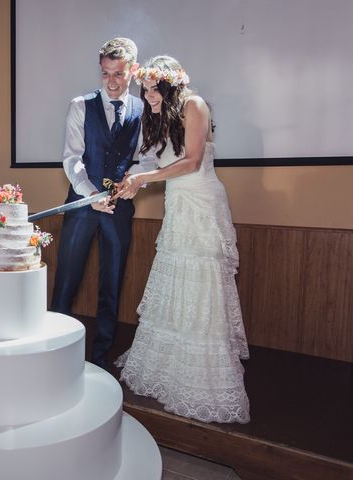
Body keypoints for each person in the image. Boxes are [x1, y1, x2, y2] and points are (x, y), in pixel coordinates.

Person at [113, 55, 250, 423]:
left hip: (202, 203)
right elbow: (157, 163)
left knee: (202, 282)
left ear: (172, 85)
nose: (149, 95)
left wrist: (144, 180)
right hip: (178, 202)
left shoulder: (194, 105)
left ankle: (202, 377)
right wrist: (133, 178)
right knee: (176, 281)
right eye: (145, 89)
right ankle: (169, 369)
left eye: (154, 88)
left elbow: (191, 162)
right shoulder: (158, 115)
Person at [50, 37, 148, 370]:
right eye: (105, 73)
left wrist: (137, 180)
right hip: (81, 205)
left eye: (119, 74)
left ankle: (100, 358)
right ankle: (55, 353)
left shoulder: (142, 109)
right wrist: (90, 194)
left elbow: (145, 157)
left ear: (133, 70)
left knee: (112, 283)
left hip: (119, 209)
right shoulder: (80, 105)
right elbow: (72, 158)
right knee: (66, 282)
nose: (111, 81)